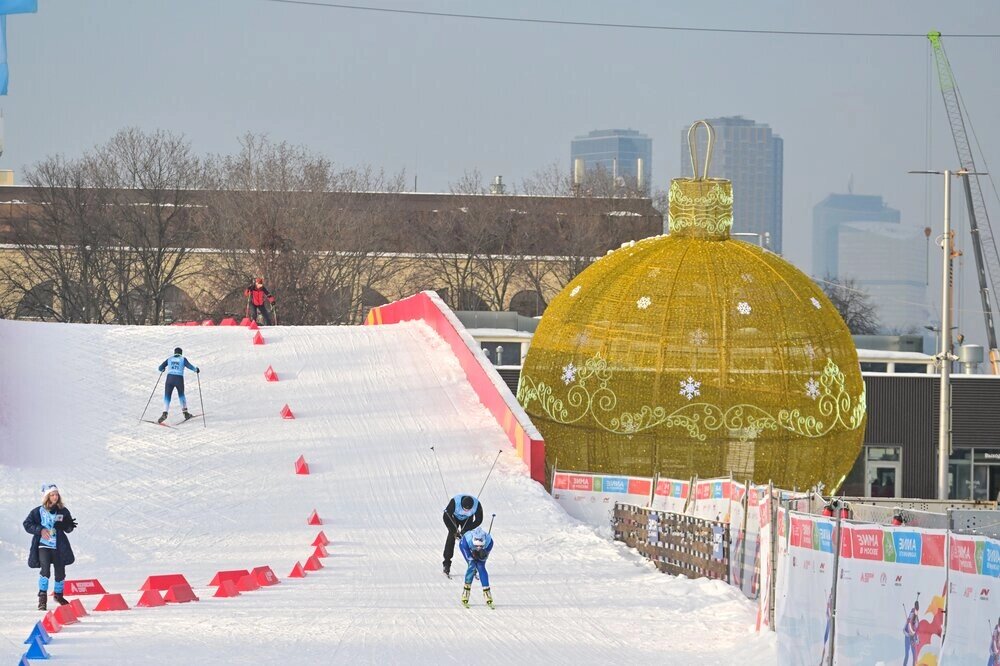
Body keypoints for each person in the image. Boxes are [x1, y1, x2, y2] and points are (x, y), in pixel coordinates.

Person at [24, 484, 77, 611]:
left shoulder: (63, 510)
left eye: (56, 494)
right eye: (52, 495)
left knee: (60, 572)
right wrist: (40, 529)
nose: (55, 497)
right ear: (47, 497)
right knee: (45, 571)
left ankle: (58, 595)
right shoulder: (37, 511)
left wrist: (68, 525)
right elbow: (27, 524)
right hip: (43, 545)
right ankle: (42, 598)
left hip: (59, 546)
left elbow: (68, 528)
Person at [442, 493, 483, 576]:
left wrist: (467, 529)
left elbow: (479, 519)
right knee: (451, 536)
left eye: (468, 510)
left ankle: (473, 563)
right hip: (454, 518)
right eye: (464, 509)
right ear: (461, 505)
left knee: (468, 539)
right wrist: (453, 530)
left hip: (467, 519)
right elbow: (446, 516)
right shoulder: (454, 502)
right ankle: (446, 563)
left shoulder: (477, 505)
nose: (466, 511)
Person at [157, 347, 199, 424]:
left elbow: (160, 368)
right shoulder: (183, 359)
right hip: (179, 379)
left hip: (169, 379)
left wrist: (162, 369)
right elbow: (189, 366)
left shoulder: (169, 359)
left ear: (174, 353)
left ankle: (164, 413)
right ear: (181, 353)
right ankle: (186, 413)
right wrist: (195, 369)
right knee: (181, 395)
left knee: (167, 396)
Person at [459, 527, 494, 608]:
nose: (478, 547)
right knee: (472, 566)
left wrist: (482, 555)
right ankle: (466, 592)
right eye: (476, 545)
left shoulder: (489, 542)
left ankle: (487, 593)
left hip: (479, 548)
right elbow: (469, 557)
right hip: (467, 547)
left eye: (480, 546)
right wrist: (472, 557)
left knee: (481, 566)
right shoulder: (466, 541)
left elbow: (483, 558)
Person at [902, 599, 920, 666]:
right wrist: (908, 634)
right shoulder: (908, 620)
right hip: (907, 638)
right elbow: (904, 630)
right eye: (911, 614)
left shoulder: (916, 621)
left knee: (914, 655)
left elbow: (917, 631)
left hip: (913, 639)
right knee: (907, 654)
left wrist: (916, 640)